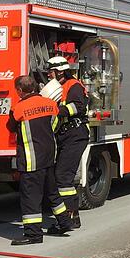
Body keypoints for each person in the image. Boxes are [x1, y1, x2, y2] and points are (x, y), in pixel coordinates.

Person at [8, 74, 71, 245]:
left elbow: (11, 127)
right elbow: (55, 126)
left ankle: (33, 234)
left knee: (31, 198)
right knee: (52, 192)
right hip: (49, 157)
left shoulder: (18, 109)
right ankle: (65, 222)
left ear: (20, 91)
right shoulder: (51, 104)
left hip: (30, 159)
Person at [47, 56, 90, 228]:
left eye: (51, 72)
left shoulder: (74, 86)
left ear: (60, 72)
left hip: (75, 134)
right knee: (62, 176)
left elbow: (78, 107)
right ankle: (72, 218)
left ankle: (70, 217)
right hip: (64, 134)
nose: (48, 75)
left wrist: (59, 110)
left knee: (63, 177)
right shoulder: (57, 87)